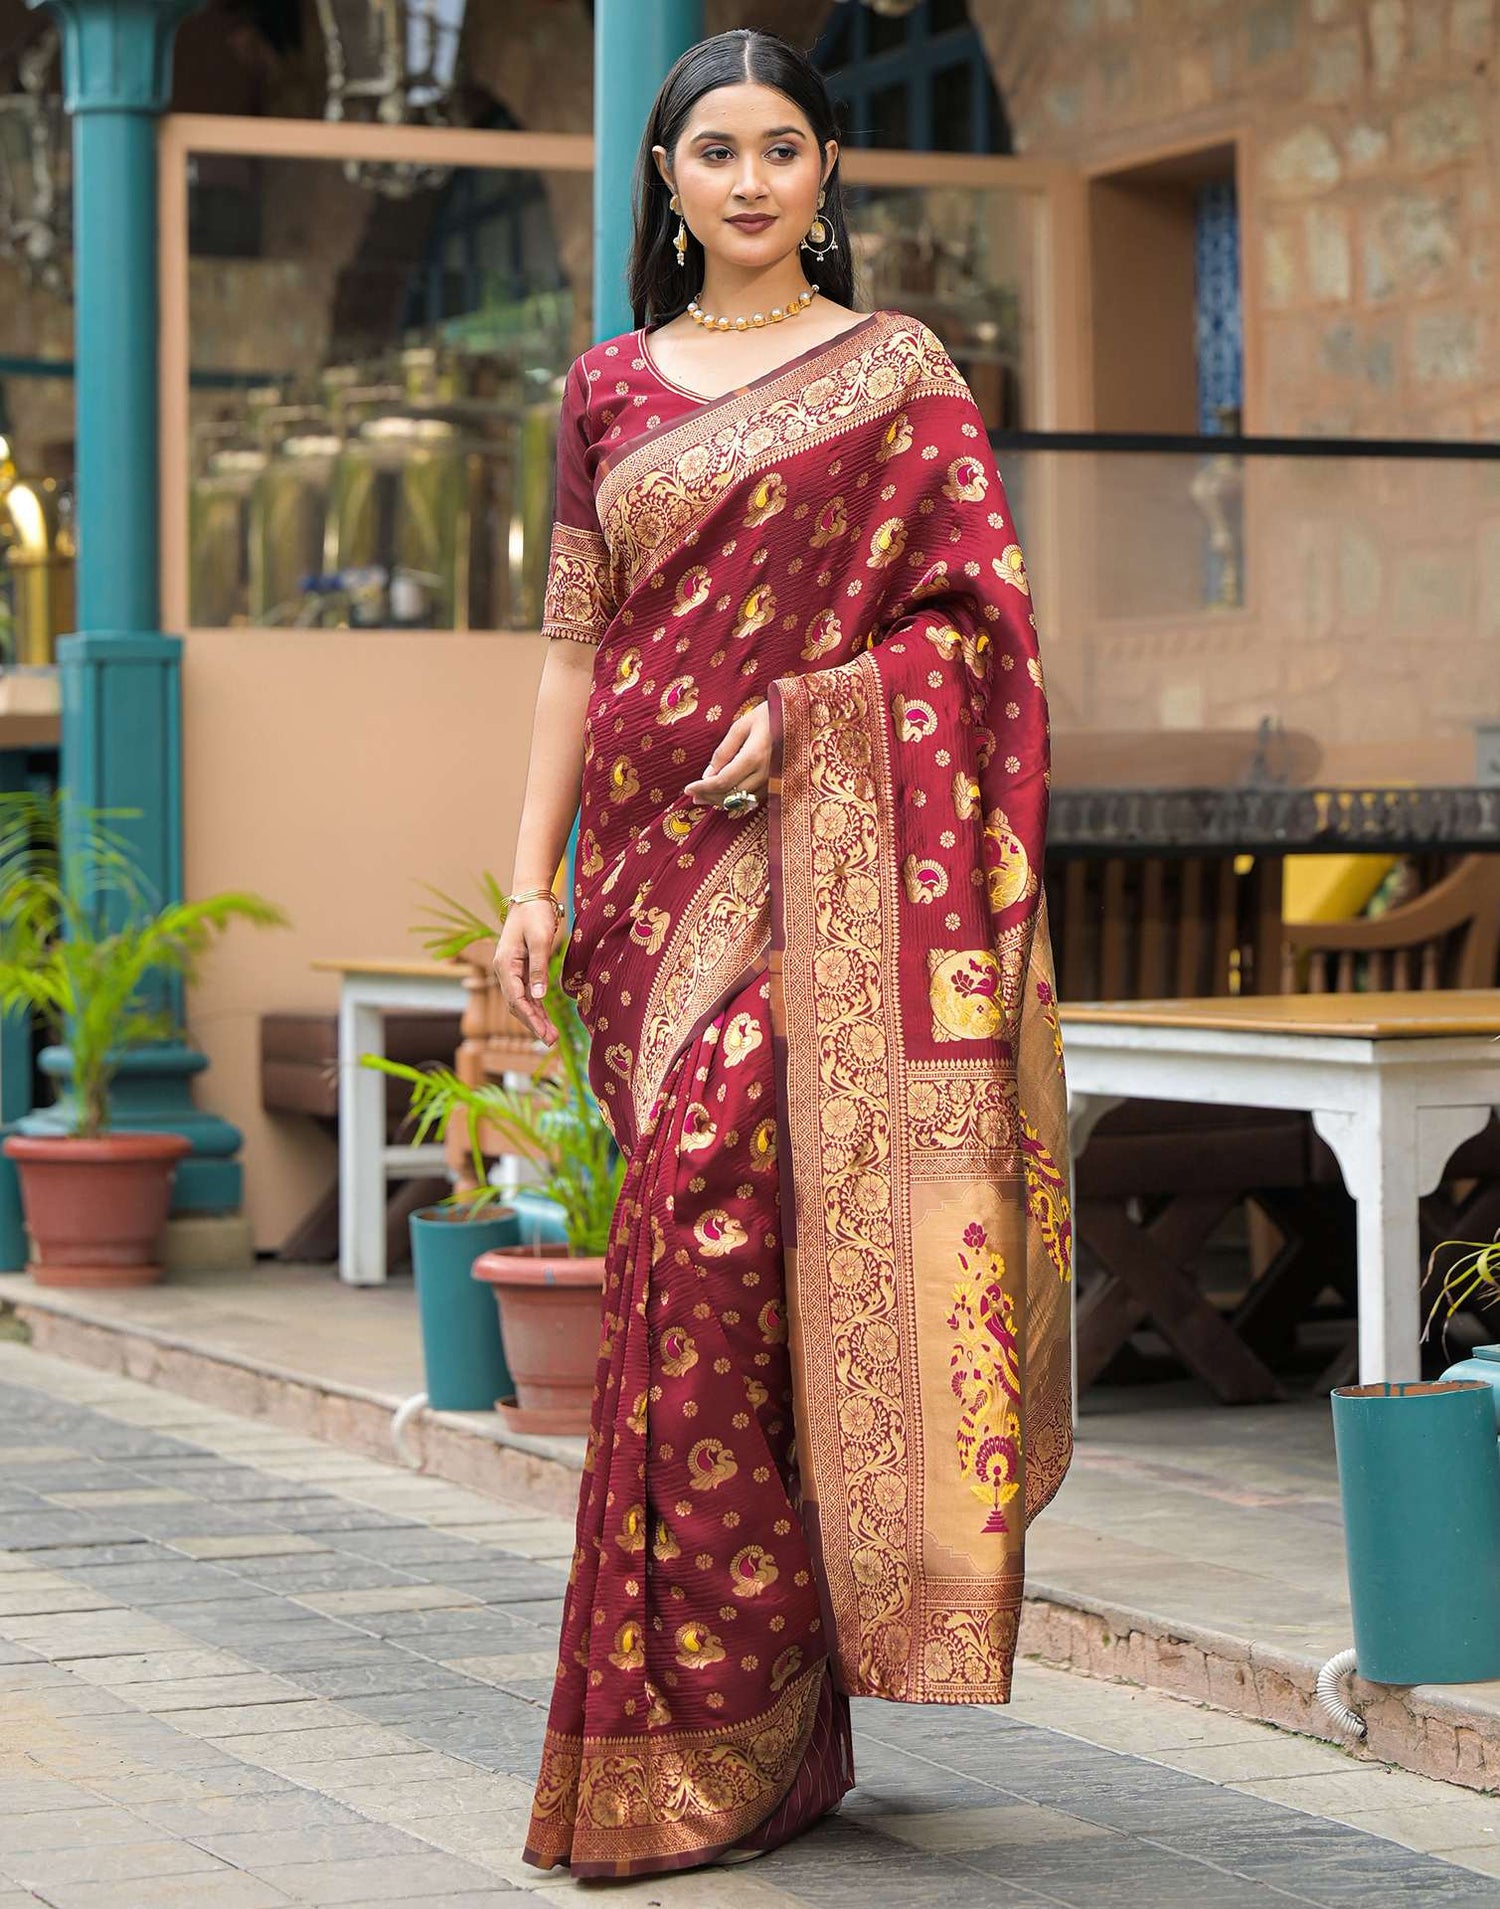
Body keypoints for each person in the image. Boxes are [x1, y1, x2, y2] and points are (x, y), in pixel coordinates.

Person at [496, 26, 1073, 1882]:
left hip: (818, 860)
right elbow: (576, 651)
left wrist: (828, 716)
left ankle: (716, 1713)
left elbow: (976, 629)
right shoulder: (603, 390)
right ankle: (755, 1715)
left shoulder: (899, 377)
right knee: (689, 1264)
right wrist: (528, 875)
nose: (751, 180)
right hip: (644, 887)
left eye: (786, 149)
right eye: (716, 151)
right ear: (664, 183)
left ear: (831, 178)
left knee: (722, 1234)